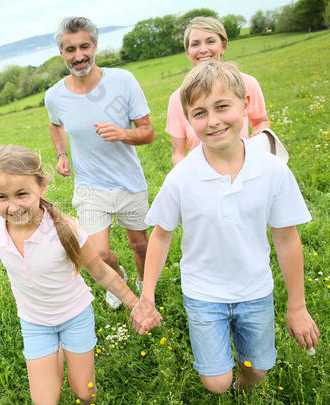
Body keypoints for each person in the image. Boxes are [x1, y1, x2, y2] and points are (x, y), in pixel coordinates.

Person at [131, 61, 319, 394]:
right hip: (203, 293)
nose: (214, 121)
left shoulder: (273, 170)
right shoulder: (181, 178)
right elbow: (160, 236)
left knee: (257, 371)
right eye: (200, 113)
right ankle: (223, 379)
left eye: (222, 107)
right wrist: (146, 298)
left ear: (245, 105)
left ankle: (244, 382)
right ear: (188, 121)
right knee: (217, 383)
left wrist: (298, 306)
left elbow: (287, 240)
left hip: (255, 290)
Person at [0, 145, 143, 405]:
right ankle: (53, 350)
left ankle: (63, 352)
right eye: (1, 197)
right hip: (35, 323)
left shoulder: (64, 229)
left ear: (42, 187)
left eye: (22, 194)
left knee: (84, 393)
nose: (12, 207)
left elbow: (101, 271)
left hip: (74, 316)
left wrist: (136, 304)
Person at [44, 16, 155, 308]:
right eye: (70, 50)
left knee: (140, 245)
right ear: (62, 53)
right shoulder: (54, 96)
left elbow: (148, 133)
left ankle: (143, 285)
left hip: (128, 181)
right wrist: (62, 155)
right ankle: (117, 277)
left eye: (84, 47)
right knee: (98, 253)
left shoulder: (122, 81)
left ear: (95, 45)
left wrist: (122, 133)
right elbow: (56, 125)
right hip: (90, 185)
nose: (78, 56)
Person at [166, 16, 270, 166]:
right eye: (195, 44)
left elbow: (261, 121)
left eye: (210, 41)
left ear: (223, 46)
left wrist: (257, 147)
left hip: (244, 165)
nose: (203, 50)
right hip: (204, 175)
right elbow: (178, 153)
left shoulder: (248, 84)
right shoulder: (177, 99)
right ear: (188, 52)